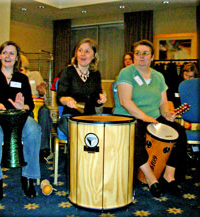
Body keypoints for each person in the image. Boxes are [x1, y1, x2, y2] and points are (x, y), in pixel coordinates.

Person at [113, 39, 187, 198]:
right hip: (129, 116)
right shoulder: (126, 72)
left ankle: (169, 175)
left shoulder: (159, 76)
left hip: (153, 117)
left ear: (152, 57)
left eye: (145, 53)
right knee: (135, 134)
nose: (141, 56)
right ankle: (151, 178)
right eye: (137, 53)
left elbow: (164, 102)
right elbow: (125, 102)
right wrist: (145, 118)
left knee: (179, 131)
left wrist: (168, 113)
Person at [0, 41, 41, 202]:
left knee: (34, 128)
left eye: (11, 53)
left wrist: (23, 106)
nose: (8, 56)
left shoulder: (22, 78)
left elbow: (30, 105)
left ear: (17, 58)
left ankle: (28, 178)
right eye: (4, 52)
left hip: (17, 116)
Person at [57, 38, 107, 136]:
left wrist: (100, 99)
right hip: (70, 117)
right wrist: (67, 100)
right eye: (80, 50)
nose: (82, 54)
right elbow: (60, 98)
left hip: (90, 117)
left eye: (87, 51)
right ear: (76, 54)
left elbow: (97, 97)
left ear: (94, 56)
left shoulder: (96, 74)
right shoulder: (67, 72)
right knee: (80, 134)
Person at [20, 54, 52, 159]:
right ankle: (28, 147)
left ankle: (43, 148)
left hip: (38, 103)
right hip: (24, 105)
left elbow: (43, 94)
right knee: (27, 114)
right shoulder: (13, 77)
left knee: (45, 112)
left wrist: (42, 91)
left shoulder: (35, 74)